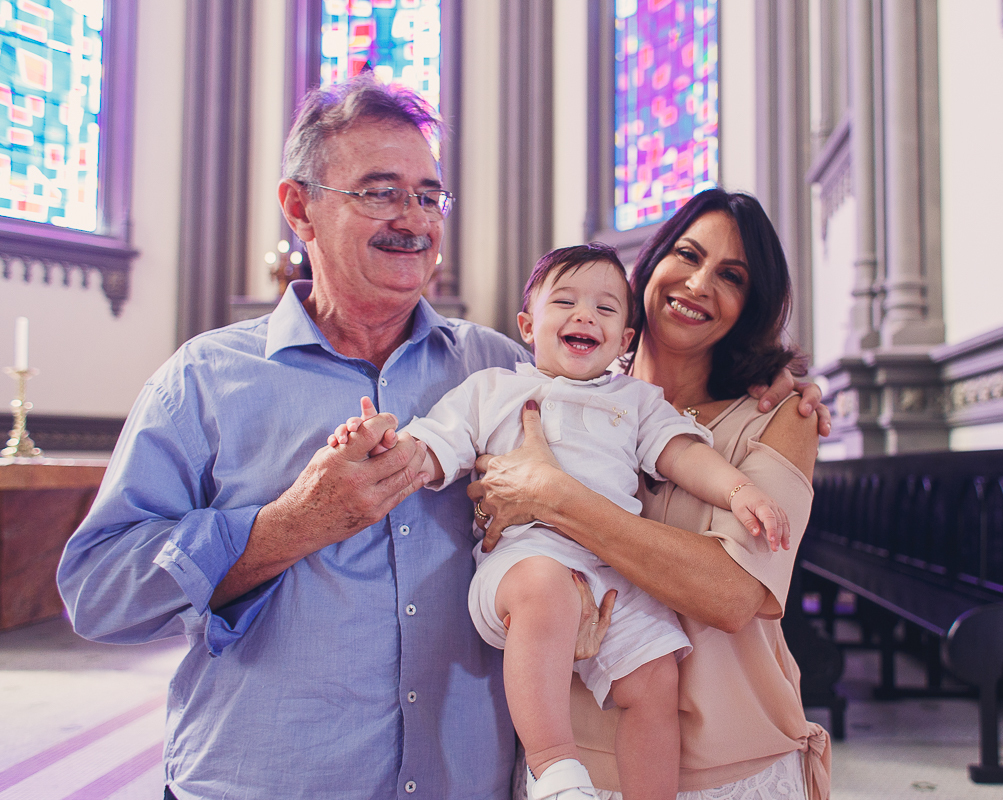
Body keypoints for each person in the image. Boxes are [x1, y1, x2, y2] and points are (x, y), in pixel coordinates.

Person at [57, 73, 827, 799]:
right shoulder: (205, 381)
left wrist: (773, 378)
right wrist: (289, 527)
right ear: (299, 208)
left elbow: (634, 404)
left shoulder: (500, 366)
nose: (414, 218)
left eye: (429, 195)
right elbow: (98, 595)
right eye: (379, 193)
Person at [330, 244, 791, 800]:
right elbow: (434, 444)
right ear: (528, 324)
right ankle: (556, 771)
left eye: (604, 308)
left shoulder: (638, 402)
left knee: (656, 675)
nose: (584, 316)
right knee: (545, 588)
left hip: (615, 570)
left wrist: (739, 489)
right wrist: (383, 447)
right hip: (524, 564)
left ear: (624, 341)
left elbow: (683, 455)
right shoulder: (493, 390)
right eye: (566, 301)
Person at [469, 189, 832, 800]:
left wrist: (556, 498)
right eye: (686, 255)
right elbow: (492, 513)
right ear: (651, 264)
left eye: (731, 276)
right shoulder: (560, 393)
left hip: (734, 765)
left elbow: (733, 594)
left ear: (751, 304)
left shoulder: (782, 412)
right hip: (576, 764)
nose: (696, 283)